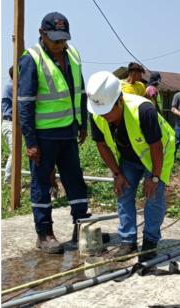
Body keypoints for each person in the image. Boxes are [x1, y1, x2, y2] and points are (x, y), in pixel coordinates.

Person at [18, 12, 90, 254]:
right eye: (55, 40)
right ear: (42, 34)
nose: (60, 45)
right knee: (41, 184)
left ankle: (81, 225)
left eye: (63, 40)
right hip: (44, 136)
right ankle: (44, 234)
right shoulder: (31, 59)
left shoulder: (73, 55)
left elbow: (79, 92)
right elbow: (25, 103)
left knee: (75, 181)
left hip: (68, 132)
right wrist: (30, 141)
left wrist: (83, 124)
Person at [86, 71, 174, 262]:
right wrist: (117, 174)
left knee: (153, 196)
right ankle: (128, 240)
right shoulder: (97, 112)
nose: (104, 116)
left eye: (108, 111)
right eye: (101, 112)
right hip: (129, 158)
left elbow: (156, 147)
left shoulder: (144, 110)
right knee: (123, 192)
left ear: (119, 100)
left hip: (158, 155)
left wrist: (155, 178)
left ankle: (150, 242)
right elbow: (101, 145)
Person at [2, 66, 13, 183]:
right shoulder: (11, 87)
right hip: (10, 122)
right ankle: (8, 181)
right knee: (14, 152)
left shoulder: (11, 86)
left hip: (11, 123)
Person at [170, 92, 180, 159]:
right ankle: (172, 160)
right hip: (179, 125)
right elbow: (173, 109)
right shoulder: (177, 95)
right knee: (176, 142)